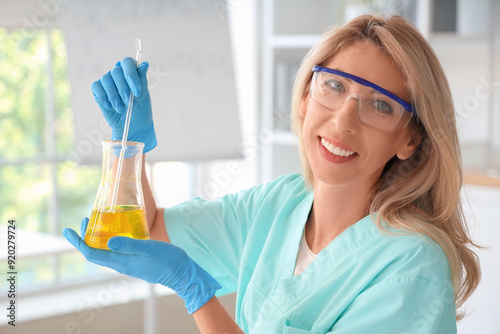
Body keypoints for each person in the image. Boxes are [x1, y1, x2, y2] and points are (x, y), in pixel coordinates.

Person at [63, 14, 481, 333]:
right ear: (304, 98)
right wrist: (126, 147)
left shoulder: (411, 265)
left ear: (410, 140)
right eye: (334, 87)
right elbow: (148, 230)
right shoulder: (278, 205)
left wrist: (195, 291)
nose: (343, 122)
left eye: (381, 105)